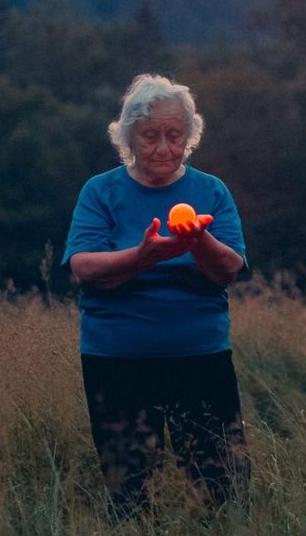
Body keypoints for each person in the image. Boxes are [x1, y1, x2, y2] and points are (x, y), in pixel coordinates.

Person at [63, 73, 251, 515]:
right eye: (151, 136)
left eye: (174, 135)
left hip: (200, 358)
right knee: (127, 489)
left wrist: (196, 240)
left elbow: (229, 268)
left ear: (189, 136)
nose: (164, 147)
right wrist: (143, 256)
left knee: (220, 484)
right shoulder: (100, 192)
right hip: (117, 361)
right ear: (128, 137)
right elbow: (83, 267)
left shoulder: (211, 192)